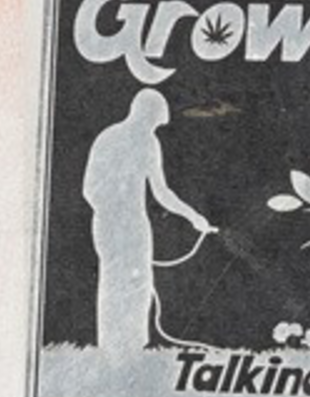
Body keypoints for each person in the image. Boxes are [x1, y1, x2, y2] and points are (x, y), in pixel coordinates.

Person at [79, 73, 211, 371]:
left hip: (129, 224)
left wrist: (193, 217)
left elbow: (160, 193)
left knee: (134, 283)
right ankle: (116, 352)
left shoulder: (131, 139)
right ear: (146, 114)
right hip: (117, 224)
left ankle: (131, 350)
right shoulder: (122, 139)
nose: (154, 128)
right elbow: (91, 188)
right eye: (153, 122)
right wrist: (113, 211)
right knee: (119, 283)